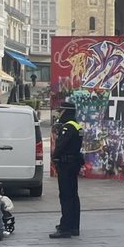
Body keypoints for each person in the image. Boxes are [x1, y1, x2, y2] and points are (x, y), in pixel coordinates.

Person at [50, 101, 83, 238]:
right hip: (74, 163)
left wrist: (54, 157)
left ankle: (65, 228)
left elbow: (61, 146)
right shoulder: (77, 126)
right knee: (73, 196)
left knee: (66, 196)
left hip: (66, 165)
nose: (59, 114)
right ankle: (74, 226)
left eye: (61, 111)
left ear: (66, 112)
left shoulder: (68, 128)